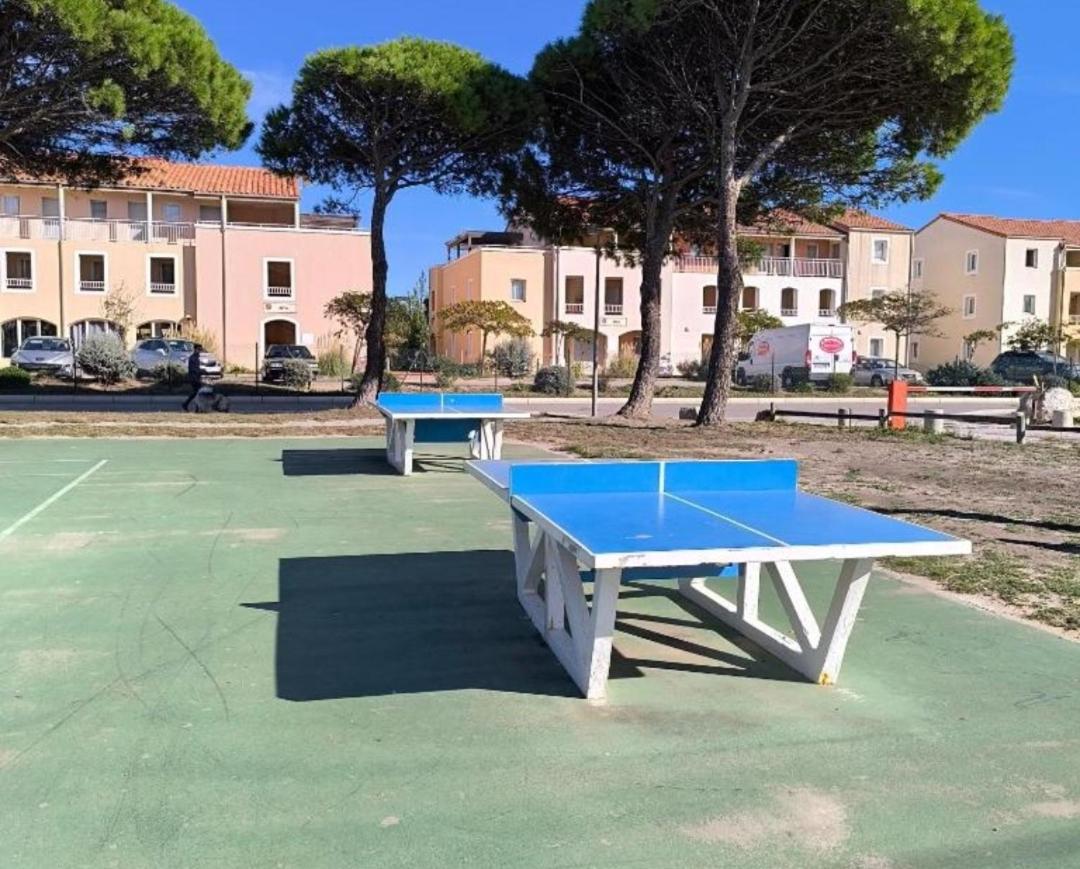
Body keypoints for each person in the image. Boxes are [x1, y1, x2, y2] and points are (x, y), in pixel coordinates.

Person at [181, 344, 204, 411]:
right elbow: (193, 369)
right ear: (195, 349)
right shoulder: (193, 358)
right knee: (197, 393)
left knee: (197, 393)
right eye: (199, 350)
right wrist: (201, 371)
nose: (200, 351)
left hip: (196, 377)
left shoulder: (196, 357)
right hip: (194, 378)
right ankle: (188, 405)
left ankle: (194, 407)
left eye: (201, 350)